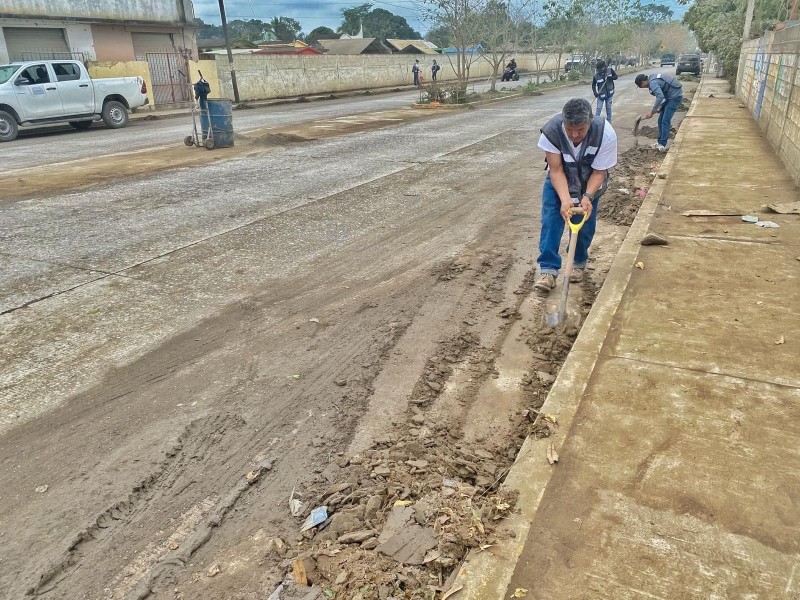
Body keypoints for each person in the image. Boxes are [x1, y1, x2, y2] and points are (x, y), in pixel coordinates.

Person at [534, 98, 618, 293]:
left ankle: (577, 264)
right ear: (563, 121)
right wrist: (565, 200)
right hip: (560, 180)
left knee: (585, 225)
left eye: (580, 129)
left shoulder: (605, 134)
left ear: (590, 121)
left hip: (589, 180)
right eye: (570, 129)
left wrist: (587, 197)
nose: (574, 134)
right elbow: (555, 171)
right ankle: (548, 270)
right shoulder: (552, 131)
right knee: (551, 221)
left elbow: (599, 172)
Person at [635, 73, 683, 151]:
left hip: (675, 97)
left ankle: (662, 145)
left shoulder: (652, 83)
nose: (642, 87)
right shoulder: (652, 78)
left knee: (665, 121)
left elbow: (660, 96)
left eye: (640, 85)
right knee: (660, 120)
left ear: (643, 82)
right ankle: (659, 142)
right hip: (670, 97)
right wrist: (660, 107)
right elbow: (663, 93)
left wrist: (652, 111)